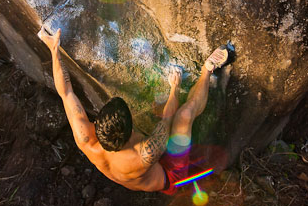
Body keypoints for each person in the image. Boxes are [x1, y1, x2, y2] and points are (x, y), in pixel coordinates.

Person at [37, 26, 233, 193]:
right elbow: (168, 119)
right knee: (184, 115)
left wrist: (54, 50)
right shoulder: (145, 153)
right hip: (169, 176)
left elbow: (67, 92)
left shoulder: (86, 138)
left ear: (98, 124)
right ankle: (208, 69)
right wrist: (174, 87)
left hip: (137, 172)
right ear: (130, 130)